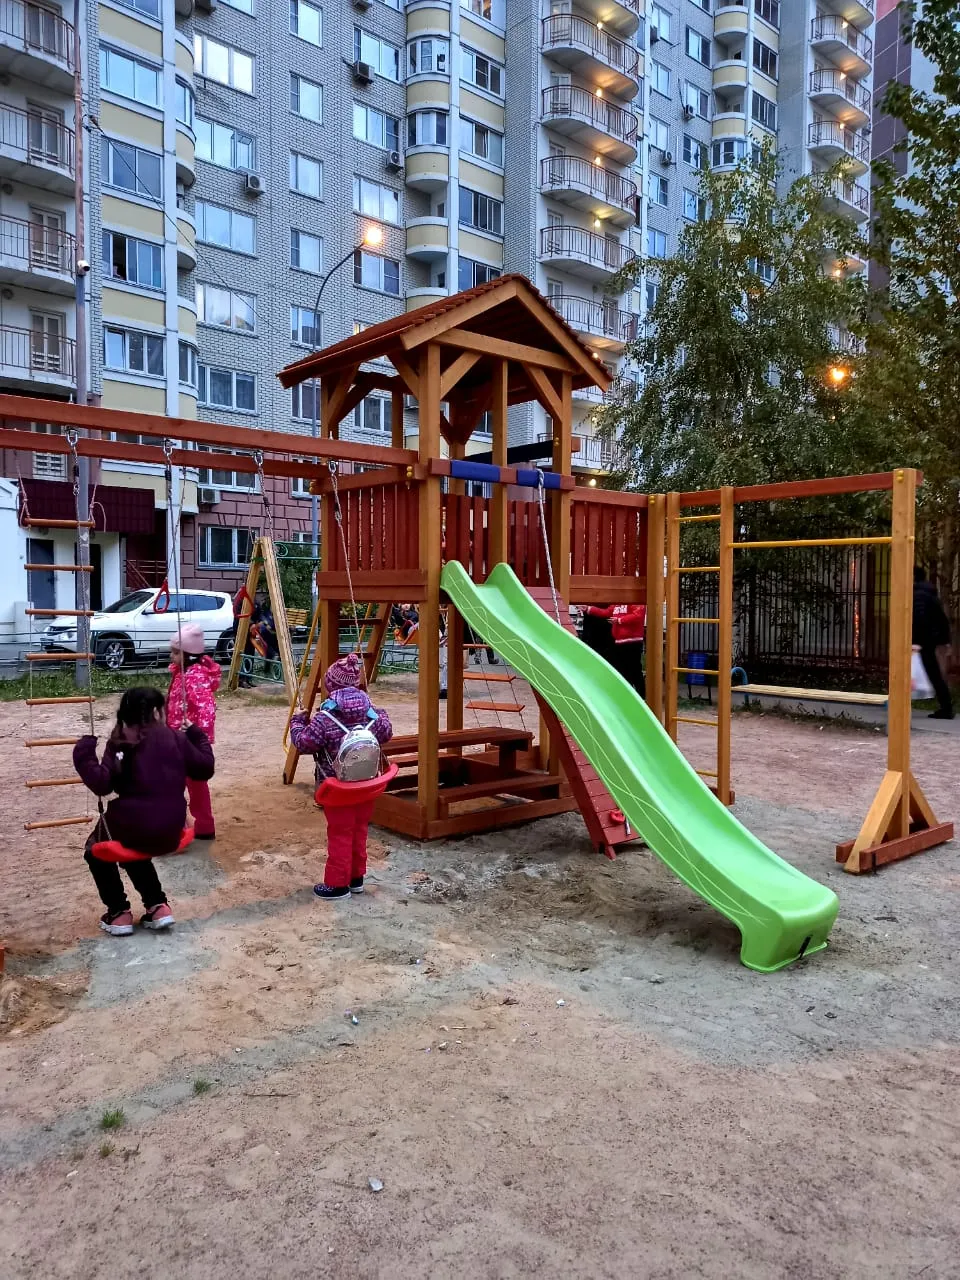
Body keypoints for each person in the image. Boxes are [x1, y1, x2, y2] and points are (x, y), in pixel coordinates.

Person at [73, 687, 215, 936]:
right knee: (134, 846)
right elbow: (205, 769)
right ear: (157, 711)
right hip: (172, 826)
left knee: (95, 851)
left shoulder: (122, 741)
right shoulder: (176, 738)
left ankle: (118, 912)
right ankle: (158, 906)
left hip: (135, 824)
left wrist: (84, 755)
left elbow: (102, 785)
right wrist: (196, 734)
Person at [289, 653, 393, 900]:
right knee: (359, 830)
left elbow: (304, 743)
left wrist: (297, 721)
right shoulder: (370, 713)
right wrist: (379, 711)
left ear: (331, 686)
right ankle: (356, 878)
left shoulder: (325, 718)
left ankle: (338, 885)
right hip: (367, 784)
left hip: (338, 787)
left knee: (340, 833)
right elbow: (386, 732)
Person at [166, 623, 221, 837]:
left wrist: (197, 734)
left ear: (188, 655)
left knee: (195, 785)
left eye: (175, 652)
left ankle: (203, 826)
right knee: (175, 783)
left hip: (190, 742)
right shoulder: (182, 673)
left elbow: (206, 708)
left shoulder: (194, 676)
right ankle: (181, 824)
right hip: (176, 739)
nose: (171, 656)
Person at [914, 567, 953, 719]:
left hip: (923, 641)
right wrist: (945, 640)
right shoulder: (929, 593)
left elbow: (920, 619)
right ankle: (946, 706)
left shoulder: (919, 595)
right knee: (934, 673)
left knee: (932, 673)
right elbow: (941, 619)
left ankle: (946, 708)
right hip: (930, 639)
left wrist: (916, 641)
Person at [584, 603, 647, 698]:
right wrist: (589, 609)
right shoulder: (616, 604)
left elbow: (638, 616)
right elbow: (605, 612)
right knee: (622, 670)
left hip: (633, 641)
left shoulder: (635, 601)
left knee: (634, 669)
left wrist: (619, 620)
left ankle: (642, 696)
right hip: (619, 641)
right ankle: (627, 694)